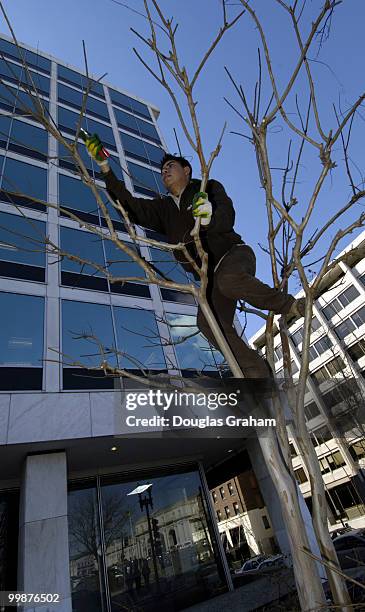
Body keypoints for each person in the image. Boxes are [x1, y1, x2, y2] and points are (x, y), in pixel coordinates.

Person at [85, 135, 305, 378]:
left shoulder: (207, 188)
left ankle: (291, 305)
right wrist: (105, 168)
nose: (165, 171)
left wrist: (209, 217)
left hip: (234, 254)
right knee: (208, 323)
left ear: (186, 170)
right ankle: (258, 376)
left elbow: (227, 214)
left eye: (171, 166)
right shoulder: (163, 209)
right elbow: (131, 207)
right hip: (209, 276)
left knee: (228, 279)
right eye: (162, 170)